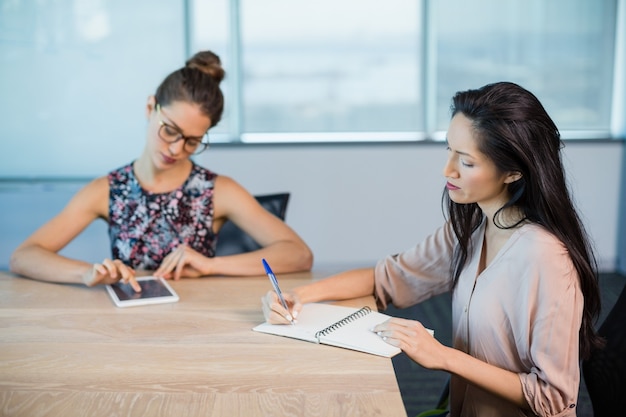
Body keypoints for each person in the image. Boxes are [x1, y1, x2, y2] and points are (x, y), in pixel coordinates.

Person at [262, 82, 603, 417]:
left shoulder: (545, 258)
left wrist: (442, 357)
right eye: (449, 151)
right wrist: (298, 297)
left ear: (512, 172)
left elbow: (554, 399)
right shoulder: (471, 230)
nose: (447, 170)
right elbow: (388, 277)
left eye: (467, 162)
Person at [10, 50, 313, 292]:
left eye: (193, 141)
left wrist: (211, 265)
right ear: (150, 107)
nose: (175, 149)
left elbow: (299, 255)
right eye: (170, 130)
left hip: (200, 324)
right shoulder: (108, 189)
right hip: (127, 326)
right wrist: (86, 272)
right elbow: (24, 256)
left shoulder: (218, 190)